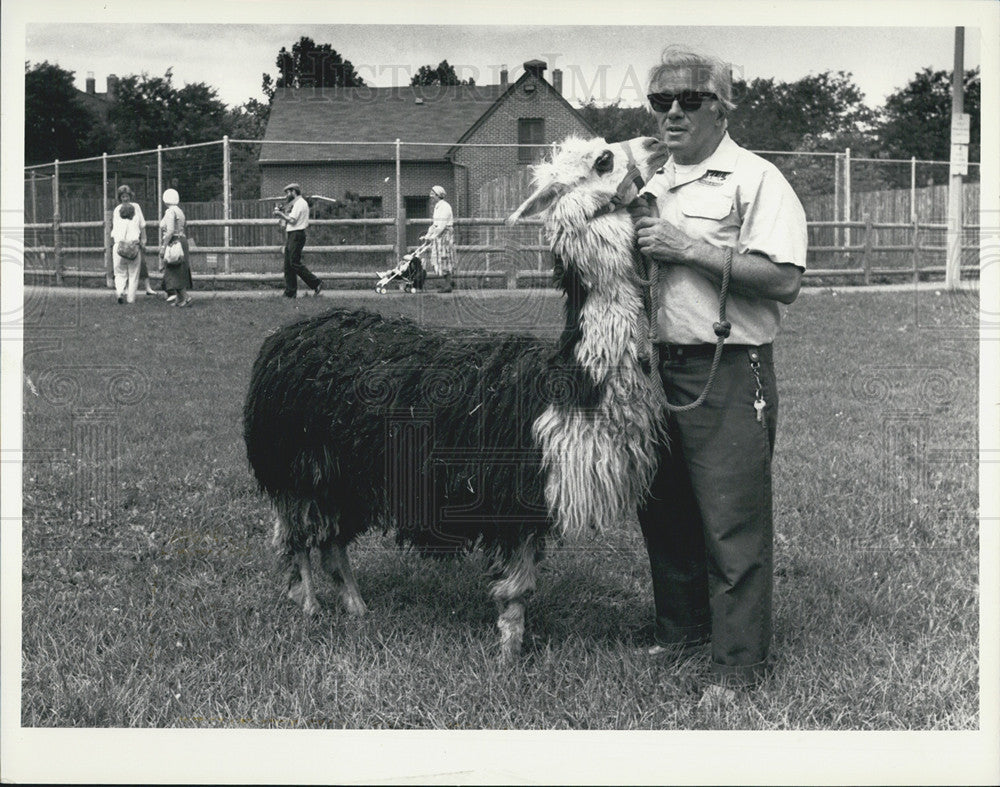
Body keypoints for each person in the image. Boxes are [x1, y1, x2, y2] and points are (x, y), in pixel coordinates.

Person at [632, 47, 807, 693]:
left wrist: (690, 249)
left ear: (721, 108)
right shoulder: (651, 181)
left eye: (689, 100)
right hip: (657, 367)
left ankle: (737, 665)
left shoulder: (756, 179)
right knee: (665, 507)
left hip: (730, 369)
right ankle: (681, 631)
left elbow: (784, 280)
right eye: (660, 101)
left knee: (731, 520)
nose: (672, 112)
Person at [273, 183, 322, 299]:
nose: (286, 195)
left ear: (294, 191)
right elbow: (286, 221)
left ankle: (316, 283)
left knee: (294, 263)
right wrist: (282, 215)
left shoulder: (300, 203)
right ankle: (290, 292)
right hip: (292, 235)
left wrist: (280, 214)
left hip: (297, 234)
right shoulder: (295, 204)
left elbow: (293, 220)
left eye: (288, 192)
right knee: (288, 265)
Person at [110, 185, 156, 297]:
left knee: (133, 267)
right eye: (123, 197)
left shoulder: (136, 207)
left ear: (130, 196)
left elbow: (142, 224)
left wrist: (144, 239)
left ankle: (123, 291)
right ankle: (126, 294)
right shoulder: (117, 209)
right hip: (123, 243)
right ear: (120, 198)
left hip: (132, 242)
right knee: (129, 271)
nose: (125, 199)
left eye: (127, 196)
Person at [159, 188, 193, 307]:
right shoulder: (179, 211)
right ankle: (179, 299)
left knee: (174, 270)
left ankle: (185, 297)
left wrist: (163, 247)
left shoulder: (169, 212)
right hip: (182, 240)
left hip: (174, 241)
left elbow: (170, 231)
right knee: (179, 268)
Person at [421, 185, 455, 293]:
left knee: (444, 258)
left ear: (438, 195)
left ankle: (448, 284)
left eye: (433, 194)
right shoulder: (437, 207)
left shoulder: (445, 207)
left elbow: (441, 226)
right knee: (439, 259)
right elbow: (435, 225)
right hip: (439, 235)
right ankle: (449, 282)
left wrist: (432, 236)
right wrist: (428, 235)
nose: (431, 196)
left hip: (444, 236)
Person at [110, 202, 142, 304]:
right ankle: (131, 298)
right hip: (132, 247)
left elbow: (113, 235)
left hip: (119, 247)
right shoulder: (134, 222)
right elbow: (137, 236)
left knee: (119, 272)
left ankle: (119, 292)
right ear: (133, 213)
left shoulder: (118, 223)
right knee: (133, 274)